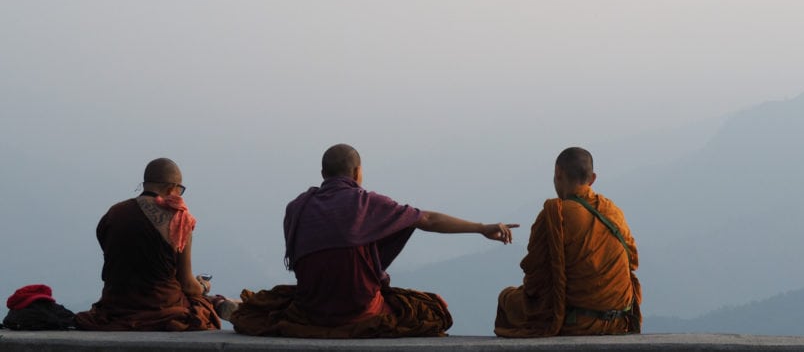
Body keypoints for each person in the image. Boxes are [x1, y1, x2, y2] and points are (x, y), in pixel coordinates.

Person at [231, 143, 518, 338]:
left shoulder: (297, 208)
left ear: (323, 175)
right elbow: (426, 219)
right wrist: (482, 227)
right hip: (360, 311)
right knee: (431, 309)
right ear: (357, 173)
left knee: (270, 302)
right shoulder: (365, 203)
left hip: (311, 309)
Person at [495, 147, 642, 337]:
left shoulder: (555, 214)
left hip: (574, 322)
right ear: (593, 178)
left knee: (507, 297)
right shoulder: (613, 212)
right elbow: (632, 262)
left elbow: (534, 284)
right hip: (619, 321)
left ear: (558, 173)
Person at [75, 158, 230, 331]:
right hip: (163, 309)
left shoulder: (114, 213)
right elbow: (187, 285)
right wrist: (202, 286)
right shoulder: (179, 220)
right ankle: (218, 302)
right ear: (171, 188)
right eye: (181, 190)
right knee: (201, 304)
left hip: (117, 308)